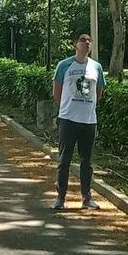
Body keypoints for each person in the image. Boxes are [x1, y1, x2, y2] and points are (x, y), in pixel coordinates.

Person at [50, 33, 106, 210]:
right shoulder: (64, 65)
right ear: (75, 44)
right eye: (83, 40)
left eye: (89, 40)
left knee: (86, 161)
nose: (87, 43)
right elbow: (57, 92)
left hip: (89, 121)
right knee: (64, 159)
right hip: (68, 120)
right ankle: (60, 197)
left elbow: (98, 92)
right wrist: (67, 108)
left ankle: (86, 197)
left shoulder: (96, 67)